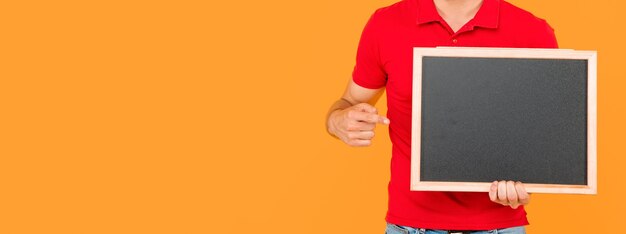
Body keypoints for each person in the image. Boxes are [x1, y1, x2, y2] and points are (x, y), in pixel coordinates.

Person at [325, 0, 558, 233]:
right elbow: (348, 102)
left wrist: (527, 185)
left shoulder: (532, 31)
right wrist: (337, 121)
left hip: (498, 226)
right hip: (408, 225)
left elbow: (548, 133)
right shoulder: (385, 24)